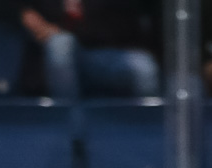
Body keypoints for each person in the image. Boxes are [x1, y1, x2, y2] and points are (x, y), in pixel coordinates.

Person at [21, 1, 161, 101]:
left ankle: (147, 132)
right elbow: (17, 10)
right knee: (60, 45)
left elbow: (126, 23)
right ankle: (69, 124)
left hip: (106, 52)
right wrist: (39, 25)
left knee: (144, 67)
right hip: (48, 62)